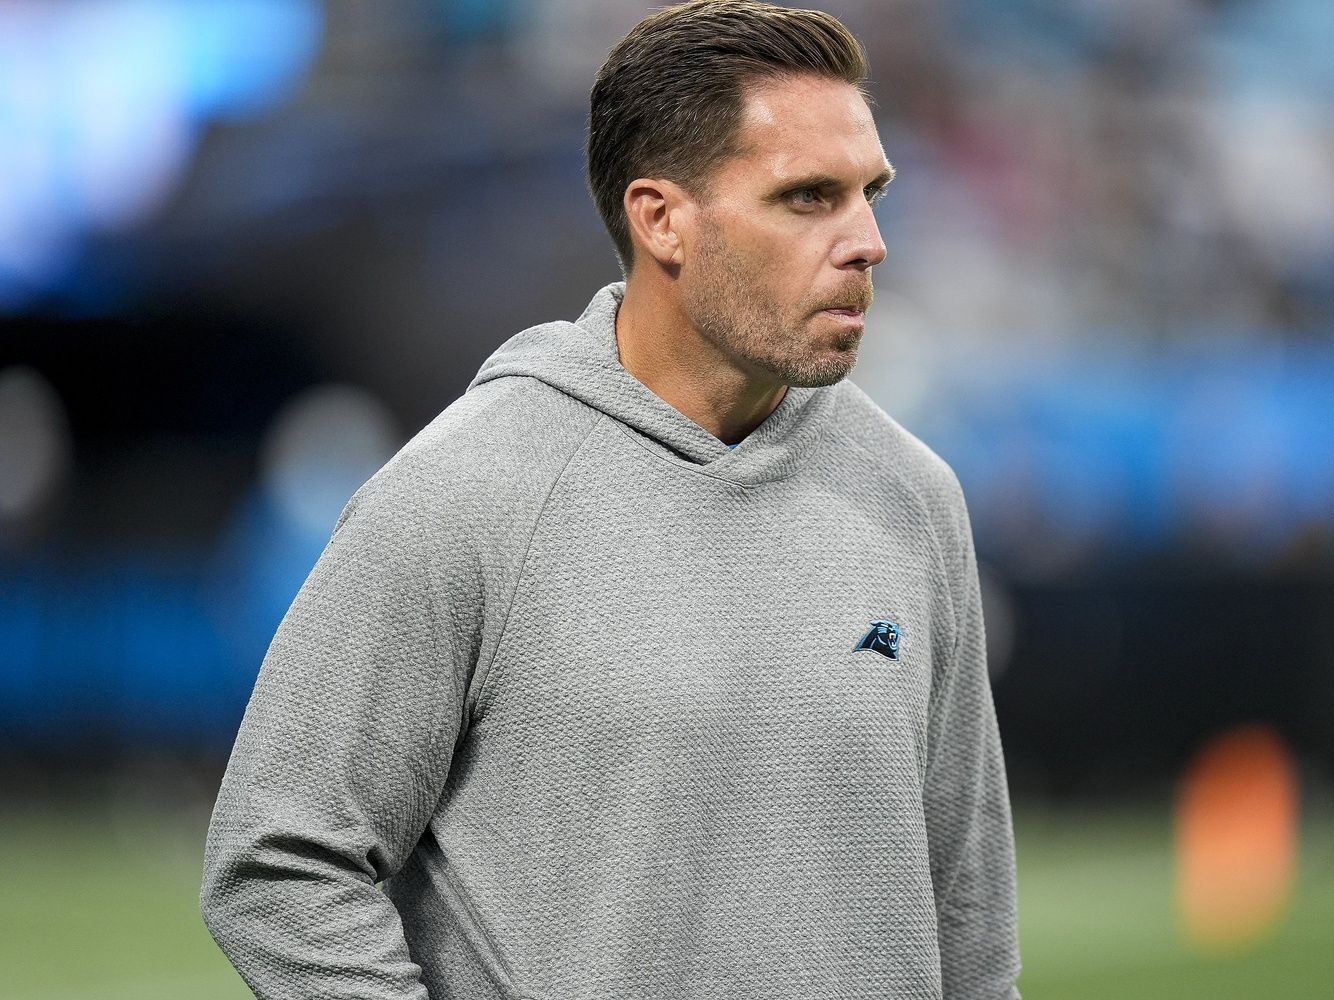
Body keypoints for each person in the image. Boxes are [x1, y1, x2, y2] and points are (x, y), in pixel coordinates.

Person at [200, 2, 1022, 997]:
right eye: (808, 198)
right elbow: (278, 864)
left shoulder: (914, 497)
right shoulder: (462, 493)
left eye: (870, 193)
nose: (867, 241)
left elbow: (967, 918)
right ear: (661, 219)